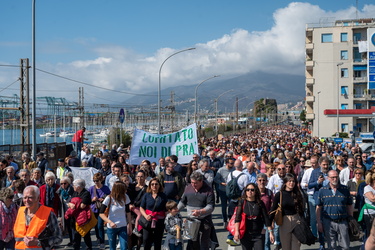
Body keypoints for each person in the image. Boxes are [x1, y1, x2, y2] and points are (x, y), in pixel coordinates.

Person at [13, 185, 62, 249]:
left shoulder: (48, 213)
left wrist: (38, 243)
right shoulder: (20, 211)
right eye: (25, 197)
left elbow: (58, 238)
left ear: (38, 198)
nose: (27, 200)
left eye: (30, 197)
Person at [316, 170, 353, 250]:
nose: (335, 179)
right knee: (331, 247)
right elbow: (318, 208)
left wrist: (351, 220)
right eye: (332, 177)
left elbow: (349, 205)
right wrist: (319, 222)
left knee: (345, 246)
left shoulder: (345, 189)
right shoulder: (322, 190)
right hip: (328, 222)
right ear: (328, 178)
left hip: (343, 221)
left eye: (336, 177)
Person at [178, 172, 215, 249]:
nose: (193, 185)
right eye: (192, 182)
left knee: (204, 243)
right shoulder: (188, 188)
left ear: (201, 181)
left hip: (205, 221)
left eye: (196, 183)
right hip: (191, 221)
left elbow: (210, 206)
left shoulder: (208, 190)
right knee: (192, 243)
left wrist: (200, 211)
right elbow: (182, 202)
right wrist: (175, 210)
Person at [269, 173, 304, 250]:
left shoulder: (297, 194)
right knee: (286, 246)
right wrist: (270, 225)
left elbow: (302, 209)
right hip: (285, 221)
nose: (291, 183)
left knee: (296, 246)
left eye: (293, 181)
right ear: (285, 182)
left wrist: (304, 223)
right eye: (289, 181)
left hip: (296, 220)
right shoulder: (280, 194)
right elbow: (273, 209)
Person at [234, 183, 274, 249]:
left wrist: (270, 232)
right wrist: (236, 231)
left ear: (255, 191)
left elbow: (266, 218)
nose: (250, 191)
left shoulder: (260, 203)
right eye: (248, 190)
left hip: (258, 234)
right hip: (245, 234)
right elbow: (237, 218)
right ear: (245, 191)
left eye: (252, 190)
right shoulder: (242, 202)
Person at [100, 181, 132, 250]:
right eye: (124, 189)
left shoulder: (125, 197)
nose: (126, 191)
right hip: (112, 227)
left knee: (124, 247)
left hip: (123, 226)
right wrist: (110, 222)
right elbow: (101, 213)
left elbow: (128, 212)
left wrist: (130, 225)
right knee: (112, 248)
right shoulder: (109, 198)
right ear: (119, 190)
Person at [140, 178, 168, 250]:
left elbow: (166, 209)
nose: (154, 186)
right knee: (146, 240)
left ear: (159, 185)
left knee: (157, 241)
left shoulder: (163, 196)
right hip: (148, 220)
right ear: (150, 186)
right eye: (152, 184)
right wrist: (146, 216)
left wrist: (167, 221)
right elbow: (141, 208)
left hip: (159, 221)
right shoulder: (146, 195)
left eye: (156, 184)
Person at [89, 173, 110, 249]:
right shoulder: (91, 189)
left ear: (101, 180)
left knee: (100, 225)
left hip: (102, 209)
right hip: (94, 209)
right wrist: (92, 199)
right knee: (96, 225)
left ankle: (102, 242)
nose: (95, 182)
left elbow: (110, 197)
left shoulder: (106, 188)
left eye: (97, 180)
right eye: (94, 180)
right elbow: (87, 200)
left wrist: (104, 199)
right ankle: (98, 237)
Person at [70, 179, 93, 250]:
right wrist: (71, 204)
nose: (73, 186)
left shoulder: (86, 193)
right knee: (76, 236)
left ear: (78, 187)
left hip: (84, 218)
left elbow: (83, 206)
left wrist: (73, 205)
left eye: (74, 185)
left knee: (86, 235)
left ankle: (89, 248)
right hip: (75, 218)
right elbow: (70, 202)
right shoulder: (75, 193)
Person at [213, 157, 235, 227]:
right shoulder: (221, 170)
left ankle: (231, 219)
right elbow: (216, 179)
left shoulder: (234, 169)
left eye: (233, 163)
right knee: (224, 206)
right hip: (223, 190)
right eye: (231, 163)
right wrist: (221, 183)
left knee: (231, 206)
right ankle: (225, 220)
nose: (232, 164)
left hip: (231, 191)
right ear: (227, 163)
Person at [56, 176, 74, 247]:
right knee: (67, 227)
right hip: (64, 211)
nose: (63, 185)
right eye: (61, 183)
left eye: (65, 183)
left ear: (68, 183)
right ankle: (71, 240)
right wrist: (60, 215)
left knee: (72, 227)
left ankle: (74, 240)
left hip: (72, 211)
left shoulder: (72, 190)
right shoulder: (59, 191)